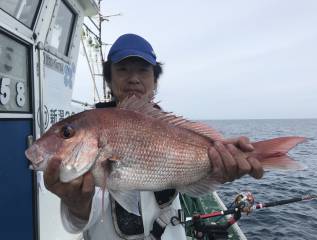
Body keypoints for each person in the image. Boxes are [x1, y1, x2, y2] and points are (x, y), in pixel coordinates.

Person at [44, 33, 263, 239]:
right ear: (109, 80)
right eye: (122, 70)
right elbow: (75, 224)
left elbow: (195, 188)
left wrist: (222, 163)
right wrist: (76, 204)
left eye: (143, 71)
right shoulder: (88, 131)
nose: (133, 79)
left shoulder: (170, 128)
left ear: (155, 80)